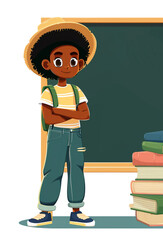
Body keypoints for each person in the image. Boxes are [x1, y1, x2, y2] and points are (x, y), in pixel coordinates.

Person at [24, 18, 97, 227]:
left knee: (77, 169)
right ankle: (45, 211)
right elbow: (49, 118)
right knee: (53, 170)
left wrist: (60, 110)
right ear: (47, 64)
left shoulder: (77, 91)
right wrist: (70, 112)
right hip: (57, 135)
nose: (66, 65)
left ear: (79, 64)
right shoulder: (49, 91)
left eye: (73, 61)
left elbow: (85, 114)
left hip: (76, 136)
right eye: (59, 61)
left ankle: (76, 210)